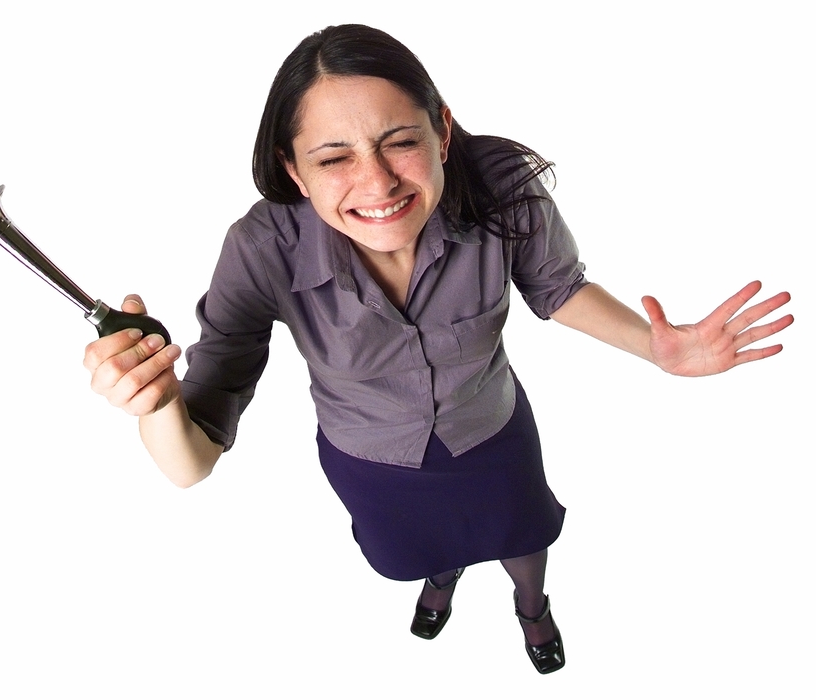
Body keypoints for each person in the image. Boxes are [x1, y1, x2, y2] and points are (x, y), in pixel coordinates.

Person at [83, 24, 793, 674]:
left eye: (400, 141)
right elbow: (191, 463)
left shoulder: (501, 185)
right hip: (373, 464)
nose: (378, 183)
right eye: (333, 157)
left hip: (492, 434)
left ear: (441, 129)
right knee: (425, 551)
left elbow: (555, 288)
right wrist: (156, 402)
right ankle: (440, 580)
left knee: (522, 536)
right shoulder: (261, 247)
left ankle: (532, 609)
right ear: (292, 169)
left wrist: (654, 350)